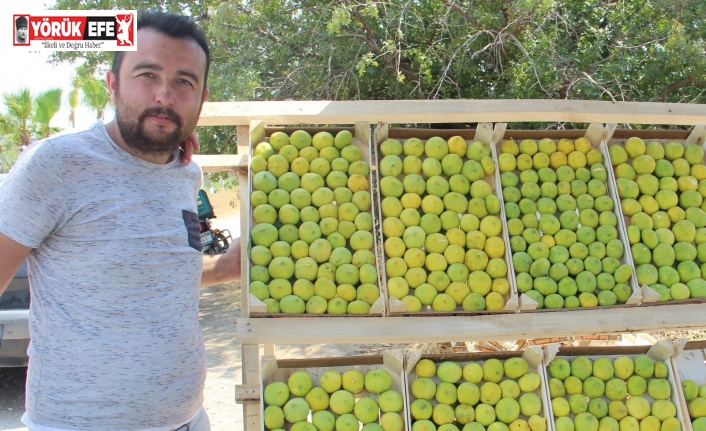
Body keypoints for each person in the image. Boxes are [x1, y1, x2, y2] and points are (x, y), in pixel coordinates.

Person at [0, 10, 241, 431]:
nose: (165, 95)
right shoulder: (56, 164)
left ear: (201, 98)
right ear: (113, 84)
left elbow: (146, 268)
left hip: (187, 421)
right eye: (147, 74)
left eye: (184, 81)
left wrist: (224, 267)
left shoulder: (186, 173)